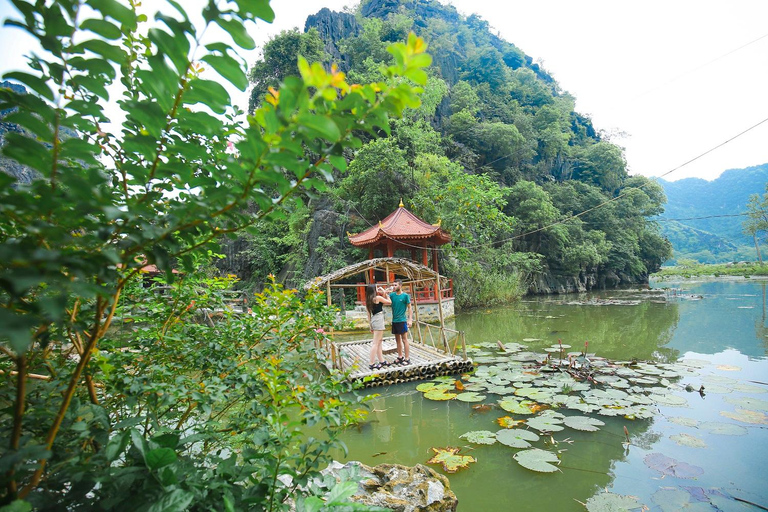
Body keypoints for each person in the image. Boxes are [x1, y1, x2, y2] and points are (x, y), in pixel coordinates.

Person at [365, 284, 391, 370]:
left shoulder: (369, 300)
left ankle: (381, 360)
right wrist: (385, 293)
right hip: (379, 319)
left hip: (374, 319)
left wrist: (370, 325)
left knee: (379, 341)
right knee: (376, 343)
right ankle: (371, 363)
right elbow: (389, 302)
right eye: (376, 288)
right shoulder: (377, 298)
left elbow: (368, 314)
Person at [388, 280, 413, 365]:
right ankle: (400, 356)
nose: (394, 286)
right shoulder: (391, 295)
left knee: (404, 340)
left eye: (395, 285)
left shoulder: (405, 296)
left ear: (400, 285)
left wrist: (410, 320)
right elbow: (385, 300)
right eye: (393, 285)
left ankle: (407, 358)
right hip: (394, 320)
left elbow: (410, 308)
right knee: (397, 340)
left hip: (402, 320)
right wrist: (386, 291)